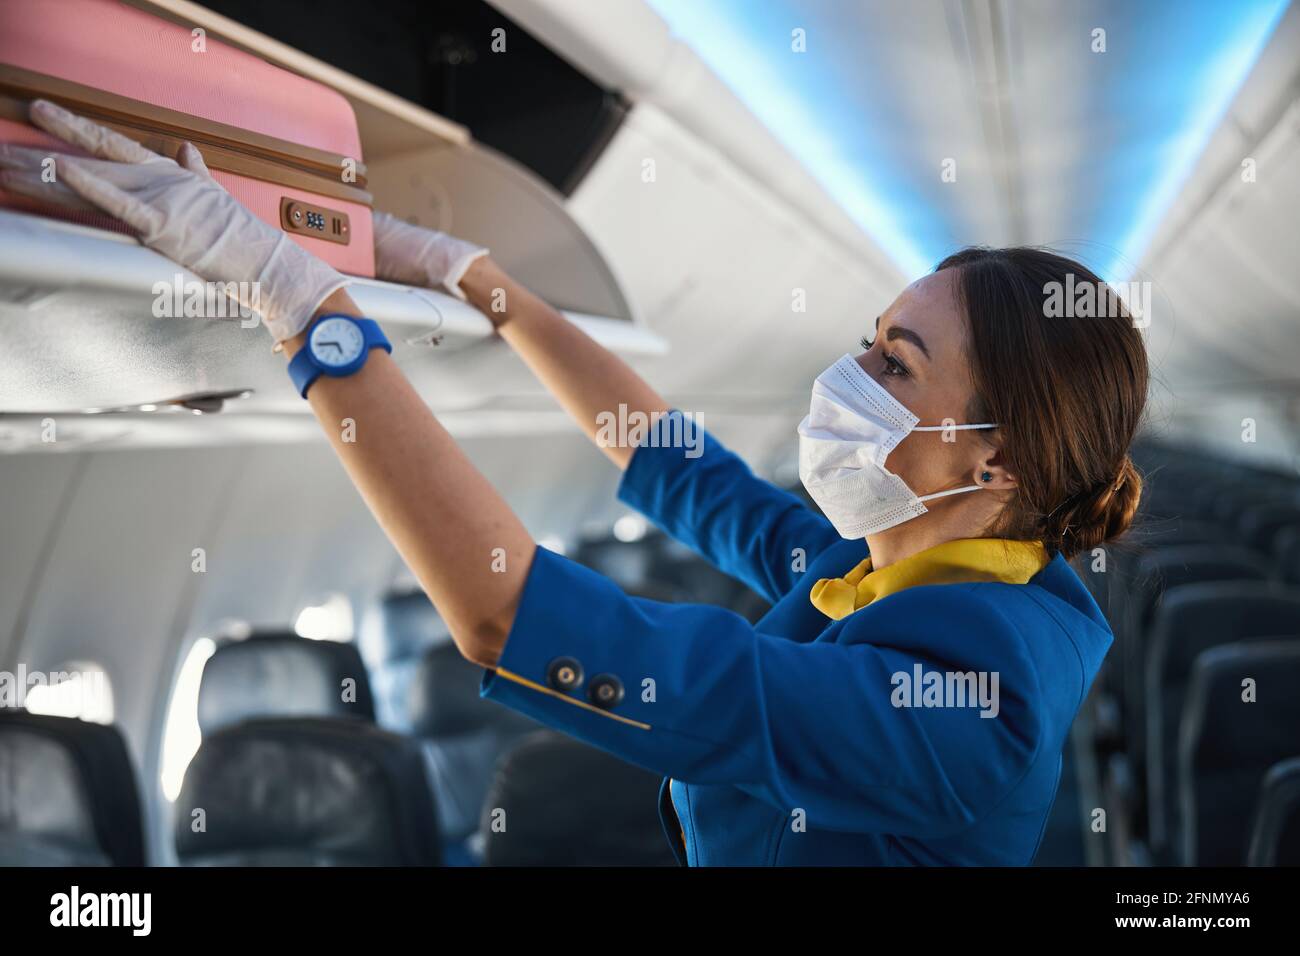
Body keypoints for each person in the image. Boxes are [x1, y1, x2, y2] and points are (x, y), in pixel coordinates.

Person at [0, 100, 1147, 865]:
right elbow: (668, 459)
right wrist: (474, 277)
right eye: (867, 338)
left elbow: (510, 614)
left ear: (993, 457)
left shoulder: (966, 704)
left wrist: (308, 312)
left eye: (895, 364)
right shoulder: (875, 567)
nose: (848, 374)